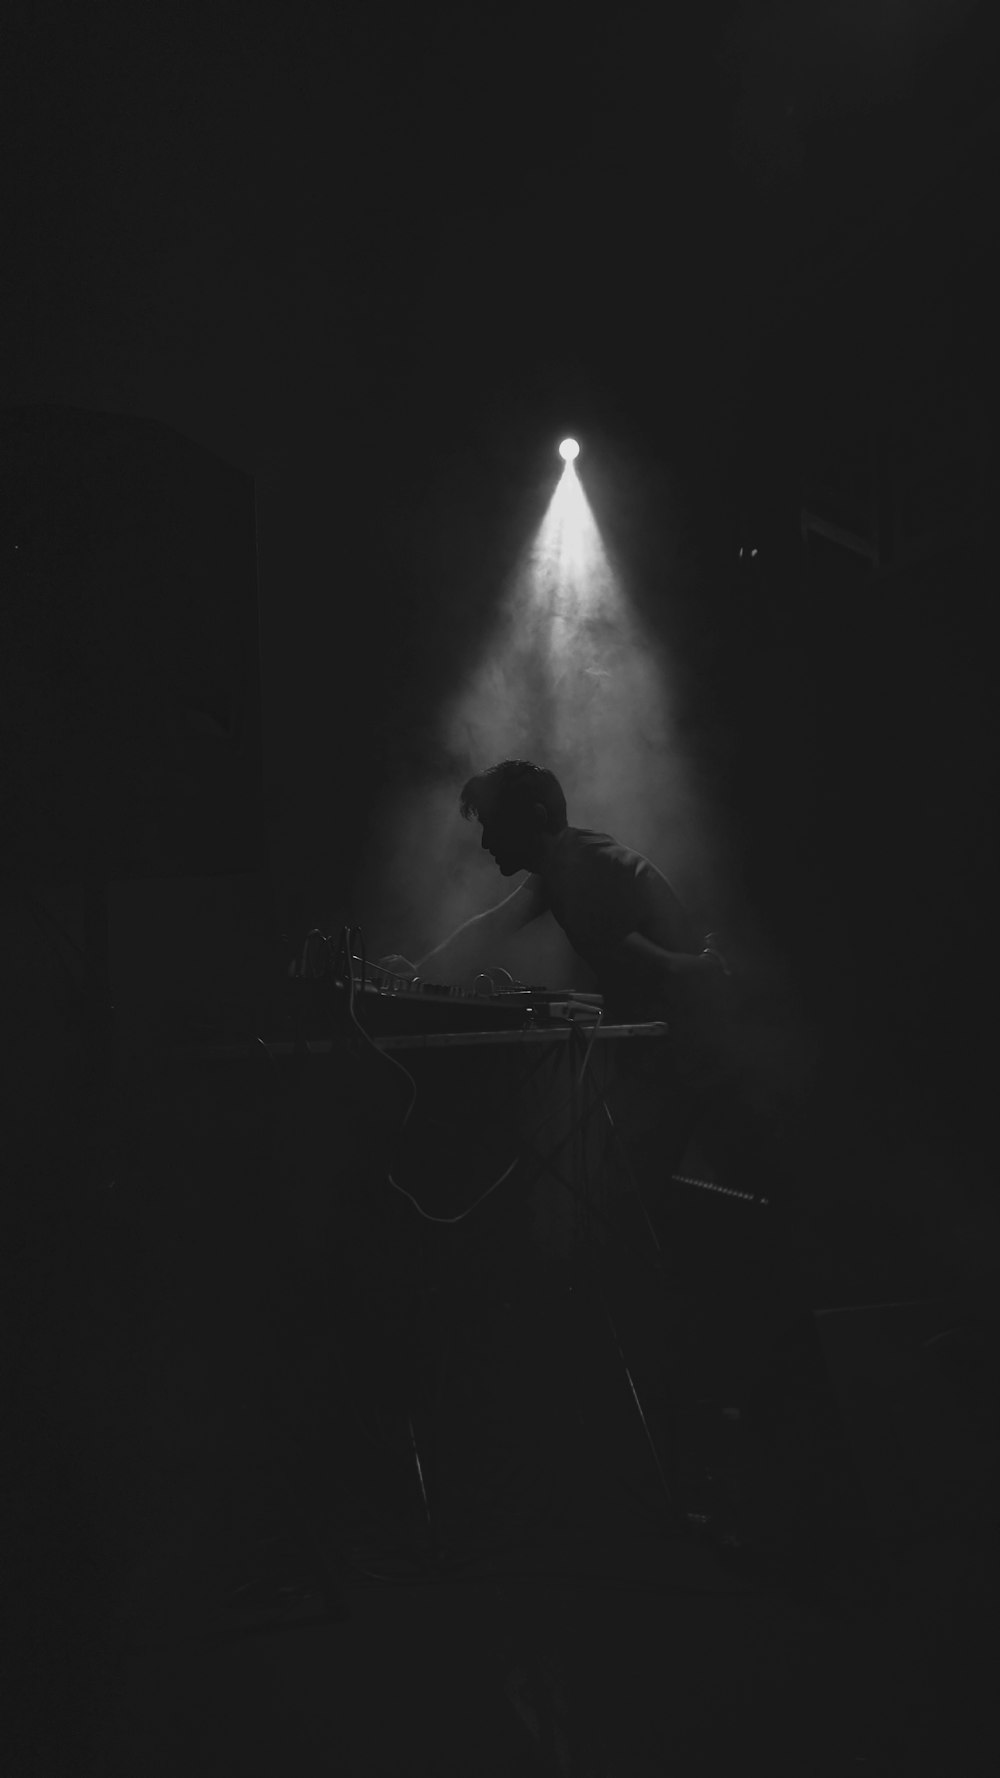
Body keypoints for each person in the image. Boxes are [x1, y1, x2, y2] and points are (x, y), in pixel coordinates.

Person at [380, 758, 736, 1186]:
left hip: (686, 1049)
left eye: (493, 825)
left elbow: (668, 972)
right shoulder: (567, 861)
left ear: (536, 818)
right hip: (673, 1044)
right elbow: (494, 924)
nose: (485, 842)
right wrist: (416, 971)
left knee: (630, 1185)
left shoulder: (581, 874)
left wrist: (706, 969)